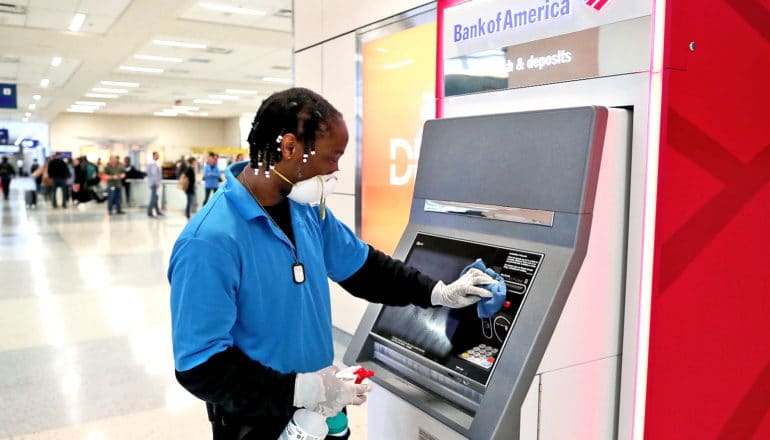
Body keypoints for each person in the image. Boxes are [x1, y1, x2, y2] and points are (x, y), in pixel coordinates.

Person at [168, 88, 496, 440]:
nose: (336, 169)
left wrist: (438, 292)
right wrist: (302, 390)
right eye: (332, 156)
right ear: (290, 147)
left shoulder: (306, 213)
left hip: (321, 411)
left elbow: (366, 269)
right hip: (259, 421)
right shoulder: (209, 241)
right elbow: (200, 365)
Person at [146, 151, 163, 217]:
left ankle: (158, 211)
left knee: (155, 197)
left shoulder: (154, 163)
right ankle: (149, 212)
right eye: (157, 155)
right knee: (153, 198)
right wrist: (157, 183)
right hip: (154, 183)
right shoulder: (153, 164)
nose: (158, 156)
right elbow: (154, 174)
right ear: (154, 155)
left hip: (153, 183)